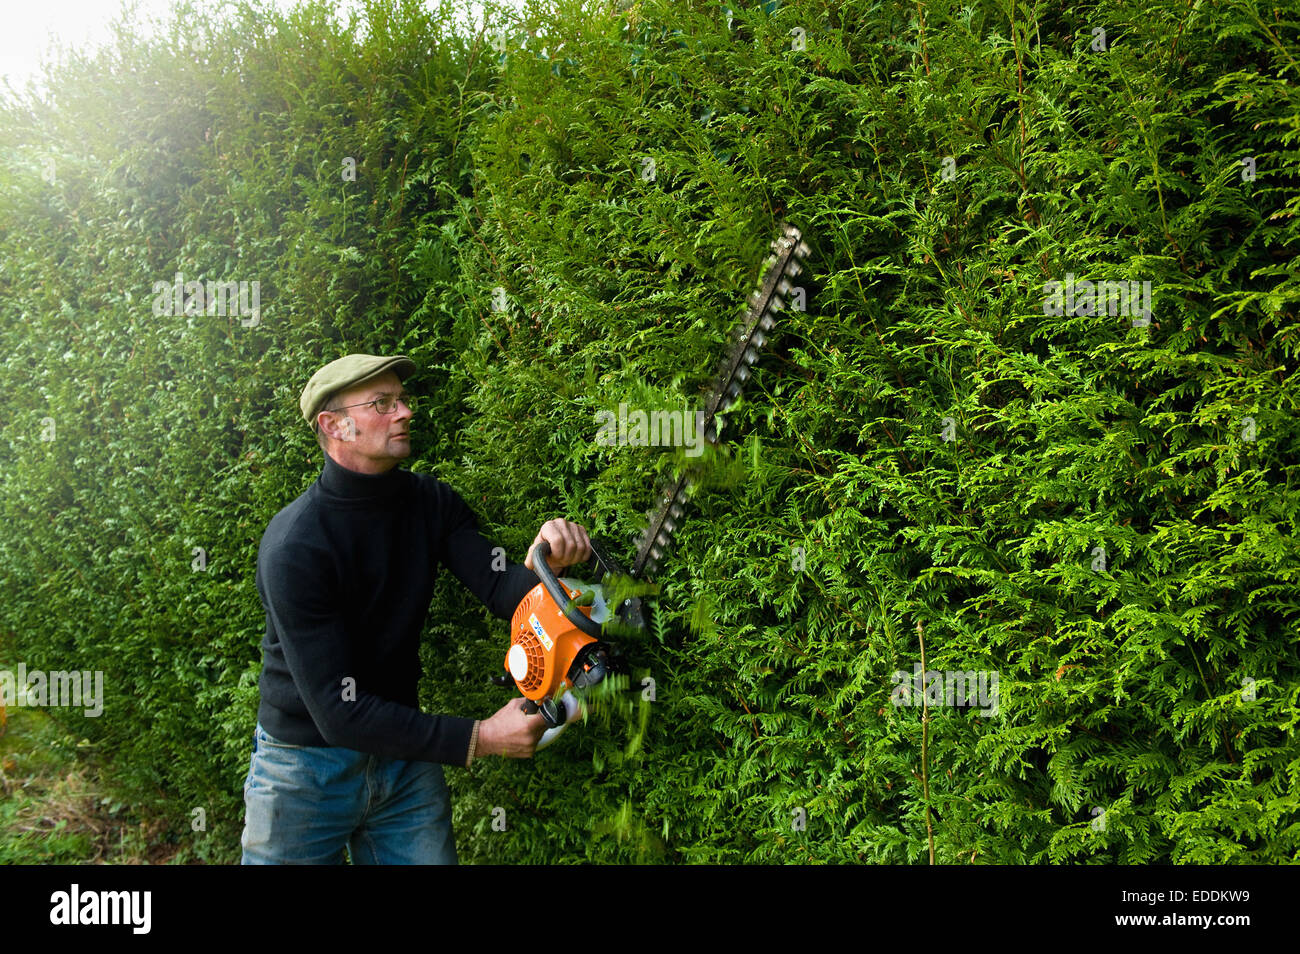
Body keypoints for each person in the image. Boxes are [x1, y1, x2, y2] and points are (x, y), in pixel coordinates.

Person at [240, 353, 591, 864]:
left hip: (403, 758)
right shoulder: (297, 546)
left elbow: (502, 590)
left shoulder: (430, 503)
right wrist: (482, 737)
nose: (405, 412)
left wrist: (549, 572)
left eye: (403, 400)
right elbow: (339, 712)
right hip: (302, 771)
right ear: (333, 425)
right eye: (382, 403)